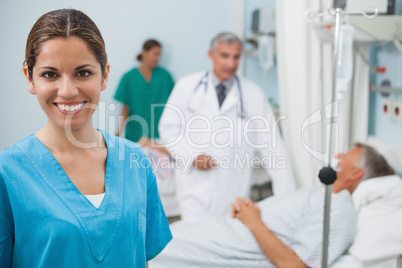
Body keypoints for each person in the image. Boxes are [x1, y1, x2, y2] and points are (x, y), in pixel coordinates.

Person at [0, 9, 171, 268]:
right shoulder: (7, 173)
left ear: (104, 75)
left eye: (83, 73)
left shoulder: (135, 160)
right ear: (29, 77)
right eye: (50, 74)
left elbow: (140, 259)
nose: (67, 91)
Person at [149, 143, 396, 268]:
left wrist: (253, 220)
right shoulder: (321, 196)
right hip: (208, 235)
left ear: (356, 174)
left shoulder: (339, 208)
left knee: (132, 249)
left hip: (212, 249)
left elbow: (297, 265)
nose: (338, 157)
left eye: (346, 156)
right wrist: (250, 211)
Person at [158, 32, 296, 222]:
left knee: (228, 245)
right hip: (194, 189)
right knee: (196, 244)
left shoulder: (253, 94)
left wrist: (288, 203)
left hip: (233, 191)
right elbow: (168, 127)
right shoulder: (186, 87)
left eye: (236, 57)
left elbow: (274, 149)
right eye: (224, 56)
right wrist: (192, 155)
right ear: (211, 54)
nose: (231, 64)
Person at [114, 39, 174, 144]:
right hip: (135, 135)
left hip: (160, 136)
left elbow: (175, 104)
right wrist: (119, 131)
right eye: (155, 54)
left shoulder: (165, 76)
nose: (158, 58)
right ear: (144, 53)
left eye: (159, 55)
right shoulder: (129, 77)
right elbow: (125, 108)